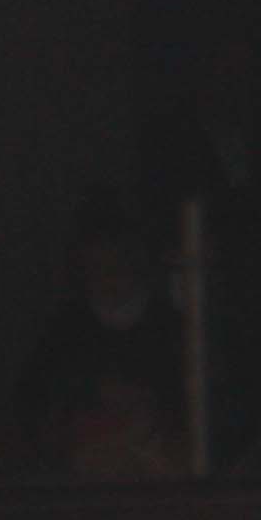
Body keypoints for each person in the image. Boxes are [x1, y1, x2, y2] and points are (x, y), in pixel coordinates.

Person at [18, 183, 189, 477]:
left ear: (135, 263)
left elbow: (190, 403)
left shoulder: (170, 326)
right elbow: (36, 402)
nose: (107, 280)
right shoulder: (66, 330)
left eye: (115, 267)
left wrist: (147, 405)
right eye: (96, 269)